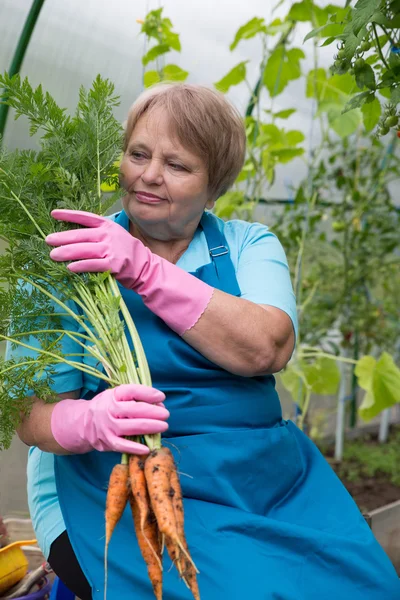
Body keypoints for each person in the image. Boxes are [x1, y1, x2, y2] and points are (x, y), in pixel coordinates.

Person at [10, 83, 399, 600]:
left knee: (364, 581)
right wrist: (86, 422)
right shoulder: (68, 258)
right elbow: (30, 415)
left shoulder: (247, 246)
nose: (149, 175)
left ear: (214, 185)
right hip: (117, 485)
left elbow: (267, 346)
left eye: (177, 165)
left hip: (262, 478)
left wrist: (142, 268)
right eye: (138, 154)